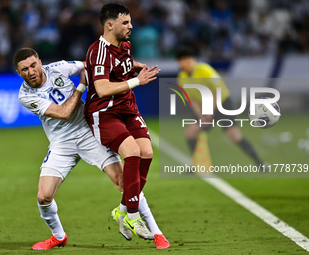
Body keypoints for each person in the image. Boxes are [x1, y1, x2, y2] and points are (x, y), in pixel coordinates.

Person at [15, 48, 168, 250]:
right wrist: (82, 86)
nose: (31, 71)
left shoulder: (58, 68)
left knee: (125, 181)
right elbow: (63, 113)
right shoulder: (25, 96)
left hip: (89, 133)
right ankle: (58, 236)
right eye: (24, 69)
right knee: (43, 196)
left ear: (40, 62)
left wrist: (131, 65)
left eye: (33, 65)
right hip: (61, 143)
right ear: (19, 73)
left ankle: (157, 232)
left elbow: (93, 65)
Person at [84, 3, 169, 248]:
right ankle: (132, 216)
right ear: (109, 25)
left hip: (127, 110)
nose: (131, 26)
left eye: (130, 22)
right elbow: (101, 88)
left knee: (147, 153)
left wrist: (135, 66)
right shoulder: (98, 51)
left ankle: (122, 209)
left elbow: (121, 65)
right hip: (105, 113)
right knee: (131, 152)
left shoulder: (125, 46)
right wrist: (136, 81)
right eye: (125, 23)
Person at [176, 46, 265, 167]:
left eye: (186, 59)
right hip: (205, 107)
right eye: (181, 60)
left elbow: (218, 90)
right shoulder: (181, 77)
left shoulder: (205, 70)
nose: (184, 63)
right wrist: (201, 116)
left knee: (235, 136)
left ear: (193, 59)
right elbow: (192, 99)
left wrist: (210, 113)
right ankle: (196, 164)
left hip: (223, 104)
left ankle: (259, 163)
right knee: (190, 133)